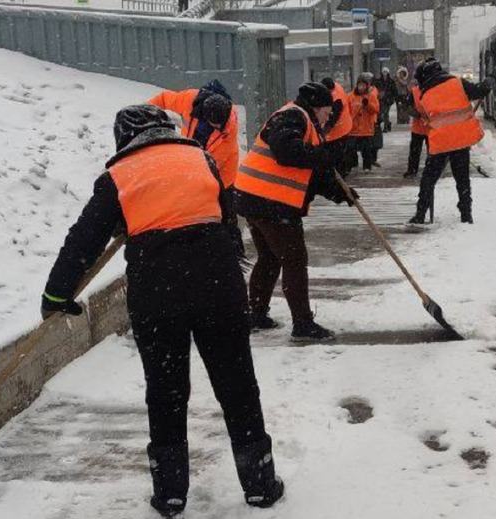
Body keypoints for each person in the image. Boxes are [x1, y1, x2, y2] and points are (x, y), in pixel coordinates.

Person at [41, 105, 283, 519]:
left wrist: (55, 294)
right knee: (237, 385)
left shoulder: (118, 177)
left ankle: (170, 494)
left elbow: (82, 240)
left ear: (124, 138)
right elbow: (225, 218)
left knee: (167, 393)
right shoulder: (200, 158)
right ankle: (259, 484)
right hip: (217, 288)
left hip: (158, 296)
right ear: (166, 130)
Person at [233, 83, 357, 342]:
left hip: (255, 197)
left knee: (269, 258)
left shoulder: (305, 123)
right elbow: (286, 151)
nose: (328, 117)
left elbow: (312, 173)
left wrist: (341, 193)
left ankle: (255, 314)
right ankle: (302, 324)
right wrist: (318, 154)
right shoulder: (293, 116)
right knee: (294, 259)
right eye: (326, 112)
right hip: (269, 201)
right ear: (316, 107)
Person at [147, 81, 244, 255]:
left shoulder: (228, 130)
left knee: (225, 214)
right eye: (213, 123)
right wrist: (144, 118)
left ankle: (233, 254)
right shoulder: (189, 99)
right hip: (192, 161)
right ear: (205, 115)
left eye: (219, 124)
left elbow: (210, 165)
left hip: (223, 174)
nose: (216, 127)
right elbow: (162, 99)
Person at [408, 58, 495, 224]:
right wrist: (488, 82)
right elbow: (479, 91)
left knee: (428, 180)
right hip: (460, 141)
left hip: (440, 144)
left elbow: (416, 111)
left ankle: (420, 214)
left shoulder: (424, 94)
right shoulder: (457, 84)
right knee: (462, 180)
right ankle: (466, 214)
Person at [346, 73, 380, 173]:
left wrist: (367, 104)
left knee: (366, 150)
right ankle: (350, 165)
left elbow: (375, 110)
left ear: (367, 86)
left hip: (366, 129)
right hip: (353, 129)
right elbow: (347, 111)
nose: (361, 87)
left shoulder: (371, 96)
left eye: (363, 85)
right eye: (359, 85)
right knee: (350, 149)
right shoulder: (350, 97)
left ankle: (367, 166)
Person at [321, 77, 353, 178]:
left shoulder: (336, 99)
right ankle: (340, 172)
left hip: (340, 129)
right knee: (339, 152)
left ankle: (339, 174)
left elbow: (332, 119)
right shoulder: (337, 87)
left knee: (336, 154)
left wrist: (324, 132)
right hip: (344, 125)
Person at [403, 68, 429, 179]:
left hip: (431, 127)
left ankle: (431, 170)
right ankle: (412, 170)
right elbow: (407, 107)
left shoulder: (432, 91)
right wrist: (416, 114)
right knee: (414, 151)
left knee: (432, 151)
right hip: (418, 128)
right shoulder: (414, 92)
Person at [373, 67, 396, 133]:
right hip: (380, 99)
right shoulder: (378, 81)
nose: (385, 73)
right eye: (384, 72)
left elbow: (394, 90)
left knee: (385, 113)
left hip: (387, 100)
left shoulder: (391, 81)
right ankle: (386, 124)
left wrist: (393, 98)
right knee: (381, 113)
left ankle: (386, 127)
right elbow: (375, 89)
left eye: (386, 72)